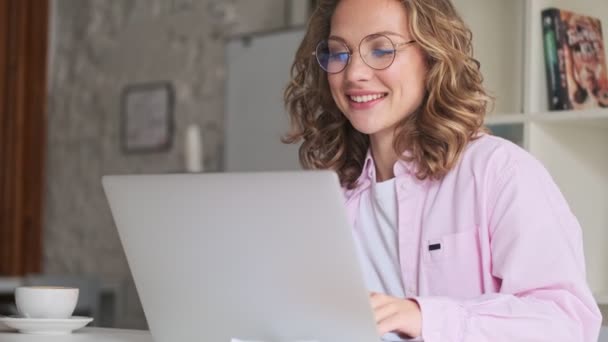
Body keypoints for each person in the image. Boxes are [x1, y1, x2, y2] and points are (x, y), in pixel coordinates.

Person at [282, 0, 602, 341]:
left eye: (381, 49)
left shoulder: (499, 171)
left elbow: (566, 324)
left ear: (432, 56)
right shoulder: (330, 193)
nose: (354, 73)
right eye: (338, 53)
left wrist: (423, 317)